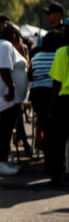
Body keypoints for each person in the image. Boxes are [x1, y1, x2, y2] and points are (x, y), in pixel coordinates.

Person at [30, 3, 67, 173]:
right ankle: (56, 168)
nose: (47, 17)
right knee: (55, 134)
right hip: (55, 93)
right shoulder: (51, 44)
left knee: (55, 135)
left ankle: (54, 168)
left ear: (59, 14)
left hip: (53, 94)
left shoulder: (63, 38)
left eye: (50, 13)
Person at [0, 23, 26, 176]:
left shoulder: (0, 45)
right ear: (12, 34)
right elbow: (4, 68)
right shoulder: (5, 46)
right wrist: (11, 88)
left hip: (4, 95)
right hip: (5, 95)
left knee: (6, 129)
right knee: (5, 130)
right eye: (17, 34)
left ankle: (2, 160)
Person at [48, 41, 69, 186]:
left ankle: (56, 176)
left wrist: (52, 104)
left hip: (64, 101)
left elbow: (56, 82)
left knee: (59, 142)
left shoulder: (61, 52)